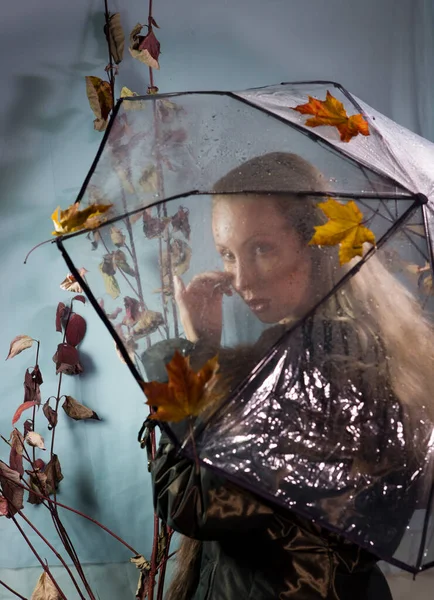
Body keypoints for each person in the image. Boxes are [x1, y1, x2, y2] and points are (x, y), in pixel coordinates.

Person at [151, 153, 434, 599]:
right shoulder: (360, 343)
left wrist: (181, 362)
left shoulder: (320, 364)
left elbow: (193, 501)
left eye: (261, 248)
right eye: (227, 253)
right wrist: (208, 350)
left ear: (315, 244)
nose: (241, 279)